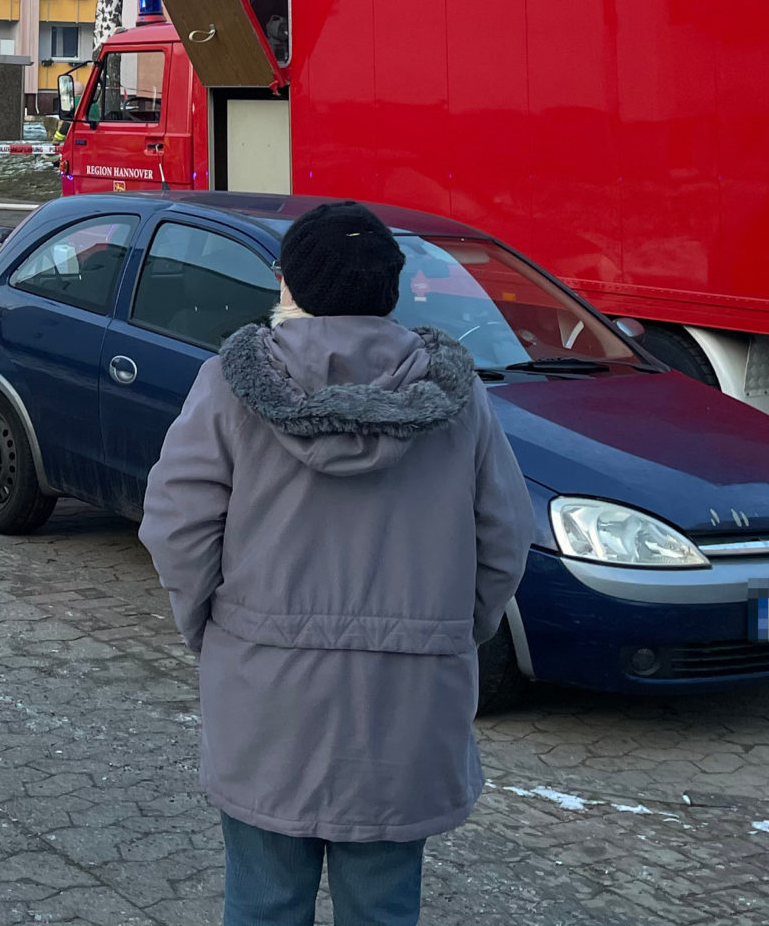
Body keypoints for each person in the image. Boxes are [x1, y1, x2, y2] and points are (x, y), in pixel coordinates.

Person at [140, 201, 534, 926]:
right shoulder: (457, 396)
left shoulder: (232, 386)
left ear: (288, 282)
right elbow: (505, 537)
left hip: (266, 693)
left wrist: (211, 629)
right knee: (383, 908)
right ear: (394, 288)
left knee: (261, 904)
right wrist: (448, 631)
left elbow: (176, 527)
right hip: (407, 703)